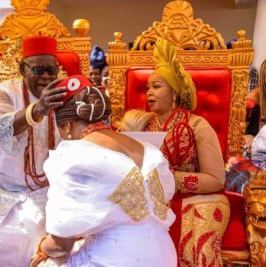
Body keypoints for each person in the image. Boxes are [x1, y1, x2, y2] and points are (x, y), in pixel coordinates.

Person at [29, 75, 176, 267]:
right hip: (164, 254)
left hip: (115, 259)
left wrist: (41, 247)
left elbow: (61, 245)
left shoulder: (74, 156)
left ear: (67, 126)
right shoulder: (149, 150)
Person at [119, 38, 229, 267]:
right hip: (149, 197)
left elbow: (216, 179)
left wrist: (169, 179)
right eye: (148, 87)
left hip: (196, 199)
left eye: (156, 86)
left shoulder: (198, 125)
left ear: (175, 93)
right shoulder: (141, 125)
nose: (149, 92)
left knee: (196, 237)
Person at [0, 35, 66, 267]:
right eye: (38, 69)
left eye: (51, 69)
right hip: (0, 187)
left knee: (34, 243)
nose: (46, 76)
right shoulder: (5, 91)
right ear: (22, 69)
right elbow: (0, 126)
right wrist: (37, 110)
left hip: (46, 191)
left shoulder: (63, 95)